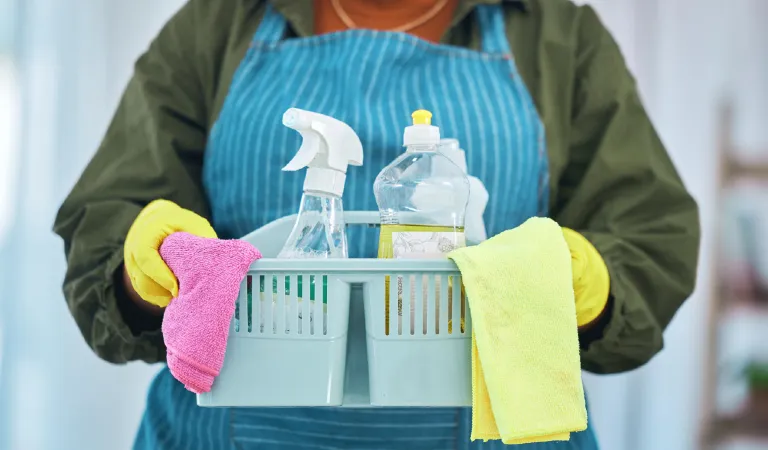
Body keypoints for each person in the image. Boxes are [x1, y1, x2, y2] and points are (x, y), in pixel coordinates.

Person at [53, 0, 700, 448]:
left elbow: (648, 237)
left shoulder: (556, 37)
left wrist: (587, 285)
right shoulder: (218, 25)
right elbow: (110, 225)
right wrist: (146, 266)